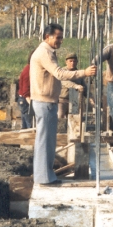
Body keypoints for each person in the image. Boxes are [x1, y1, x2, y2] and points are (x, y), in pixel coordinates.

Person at [30, 23, 96, 185]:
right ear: (48, 36)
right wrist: (84, 73)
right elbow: (59, 73)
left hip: (48, 101)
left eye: (61, 38)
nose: (60, 41)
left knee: (48, 141)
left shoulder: (48, 51)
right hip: (44, 101)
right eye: (58, 38)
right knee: (44, 141)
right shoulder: (44, 53)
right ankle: (43, 177)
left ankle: (47, 175)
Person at [58, 52, 88, 120]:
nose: (72, 63)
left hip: (74, 100)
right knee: (60, 117)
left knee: (74, 120)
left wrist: (90, 98)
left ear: (77, 62)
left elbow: (84, 87)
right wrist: (75, 86)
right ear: (66, 62)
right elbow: (64, 81)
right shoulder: (62, 71)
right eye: (70, 61)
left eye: (74, 61)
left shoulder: (79, 73)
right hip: (62, 100)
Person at [17, 50, 35, 129]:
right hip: (25, 100)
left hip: (24, 99)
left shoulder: (29, 68)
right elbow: (26, 92)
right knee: (30, 125)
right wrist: (32, 104)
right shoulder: (28, 71)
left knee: (25, 126)